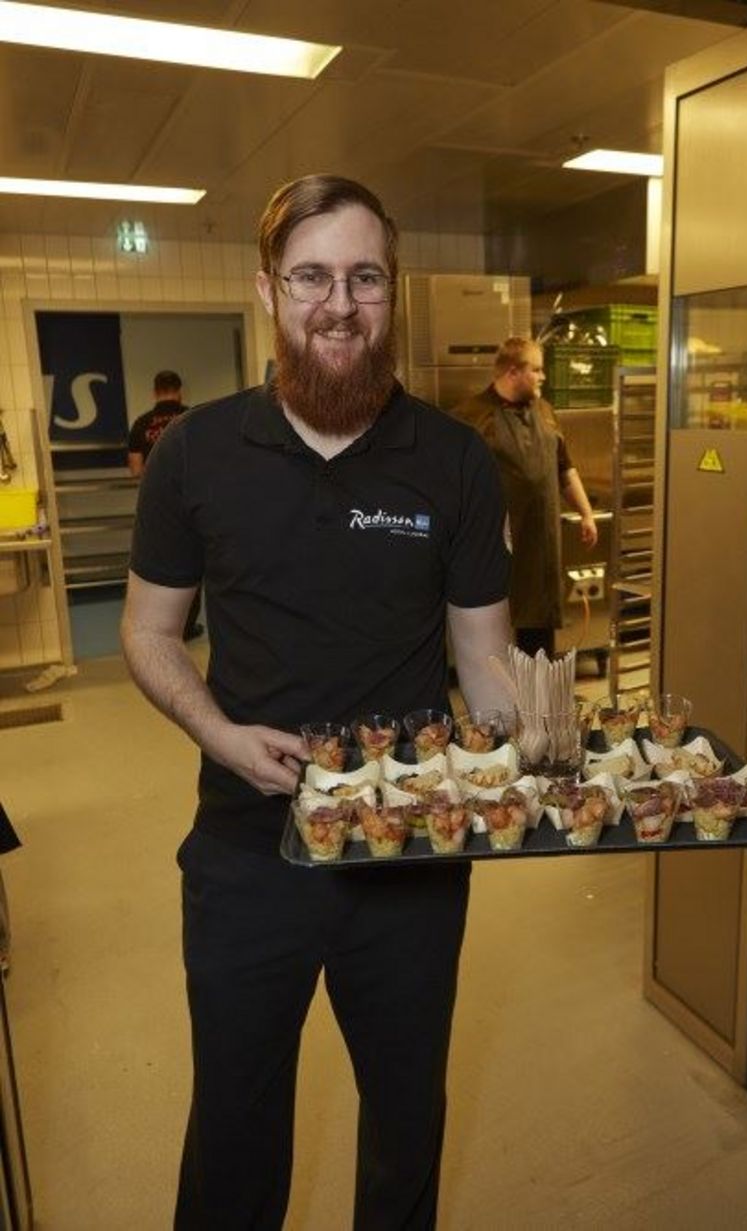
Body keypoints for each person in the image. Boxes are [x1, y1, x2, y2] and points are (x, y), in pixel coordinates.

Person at [120, 174, 512, 1230]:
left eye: (364, 277)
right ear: (268, 290)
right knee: (235, 1130)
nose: (339, 304)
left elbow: (485, 662)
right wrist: (217, 732)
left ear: (393, 290)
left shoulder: (454, 460)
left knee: (405, 1122)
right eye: (311, 277)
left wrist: (540, 759)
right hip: (248, 850)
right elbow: (148, 632)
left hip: (410, 853)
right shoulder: (195, 453)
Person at [451, 337, 598, 658]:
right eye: (537, 369)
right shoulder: (470, 416)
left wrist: (586, 513)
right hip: (496, 544)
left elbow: (565, 468)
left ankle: (537, 687)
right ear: (513, 372)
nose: (543, 376)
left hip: (541, 545)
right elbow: (450, 482)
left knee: (539, 636)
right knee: (496, 632)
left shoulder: (545, 412)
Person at [127, 371, 203, 641]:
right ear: (179, 391)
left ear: (155, 391)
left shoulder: (141, 423)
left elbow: (136, 469)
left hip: (159, 506)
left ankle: (162, 630)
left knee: (161, 566)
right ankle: (187, 627)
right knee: (194, 565)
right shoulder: (194, 418)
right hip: (195, 502)